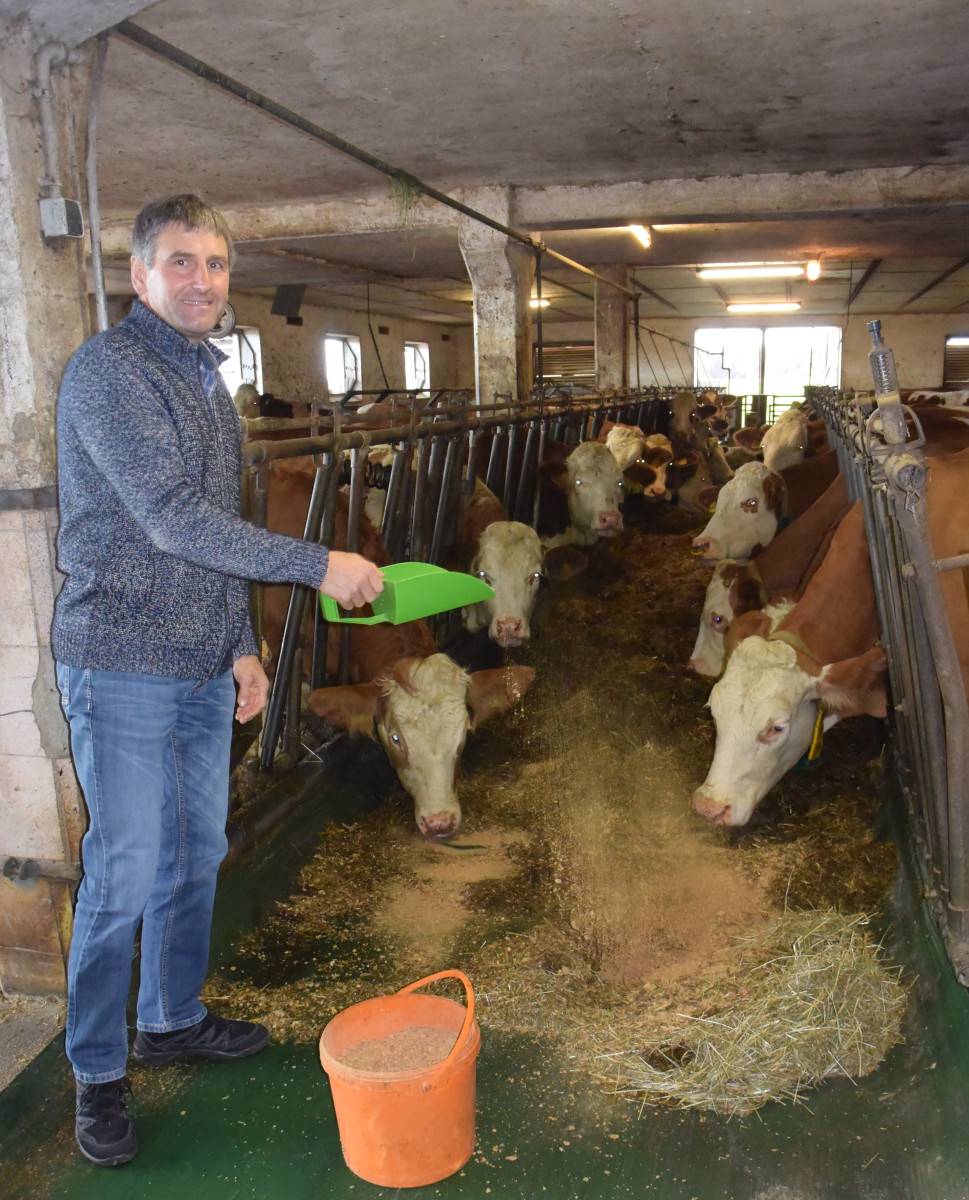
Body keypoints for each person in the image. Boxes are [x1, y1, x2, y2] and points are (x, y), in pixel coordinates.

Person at [51, 194, 384, 1167]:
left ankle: (172, 1017)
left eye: (218, 264)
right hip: (121, 663)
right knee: (122, 871)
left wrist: (241, 643)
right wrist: (318, 564)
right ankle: (98, 1073)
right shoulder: (109, 374)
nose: (204, 281)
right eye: (183, 263)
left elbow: (218, 520)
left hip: (201, 662)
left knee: (196, 851)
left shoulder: (206, 377)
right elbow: (166, 519)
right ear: (141, 276)